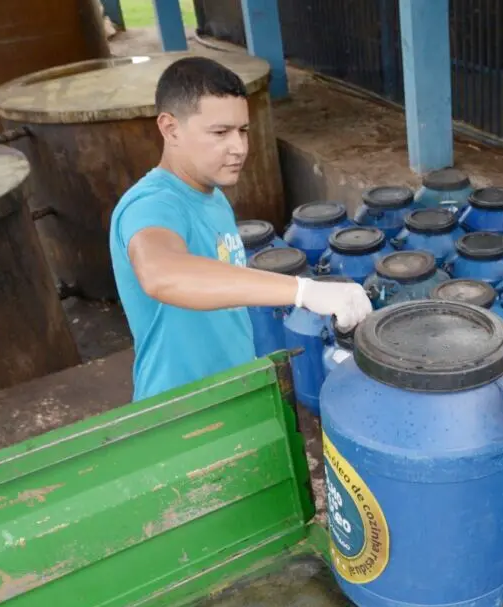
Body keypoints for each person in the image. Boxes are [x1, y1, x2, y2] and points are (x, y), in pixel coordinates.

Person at [109, 56, 370, 401]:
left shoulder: (212, 196)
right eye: (220, 133)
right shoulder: (152, 204)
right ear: (170, 129)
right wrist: (303, 291)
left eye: (242, 130)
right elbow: (162, 274)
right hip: (180, 409)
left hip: (232, 392)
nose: (239, 148)